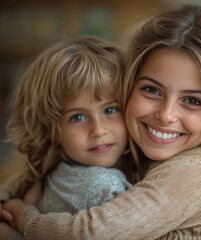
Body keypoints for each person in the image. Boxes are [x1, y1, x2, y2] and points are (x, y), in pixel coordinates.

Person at [2, 5, 201, 240]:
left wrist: (23, 221)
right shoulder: (119, 151)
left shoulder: (198, 168)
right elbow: (22, 183)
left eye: (193, 101)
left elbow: (91, 233)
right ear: (127, 86)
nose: (166, 115)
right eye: (152, 90)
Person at [0, 36, 132, 239]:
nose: (98, 130)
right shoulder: (109, 186)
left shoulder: (53, 169)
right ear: (50, 130)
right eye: (77, 117)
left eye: (110, 109)